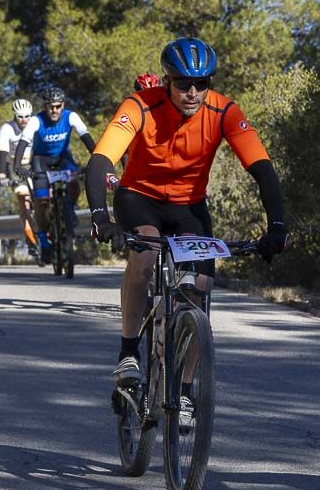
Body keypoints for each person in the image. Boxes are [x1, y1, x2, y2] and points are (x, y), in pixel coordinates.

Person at [85, 37, 289, 388]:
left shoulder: (224, 111)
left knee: (201, 285)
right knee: (146, 252)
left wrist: (278, 225)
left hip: (188, 207)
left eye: (202, 83)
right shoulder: (139, 106)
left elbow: (262, 169)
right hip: (139, 198)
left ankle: (183, 388)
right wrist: (102, 217)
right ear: (167, 82)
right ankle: (128, 351)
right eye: (183, 83)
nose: (192, 92)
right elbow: (101, 158)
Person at [12, 87, 96, 264]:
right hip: (41, 161)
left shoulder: (70, 117)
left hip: (62, 158)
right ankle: (44, 243)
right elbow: (24, 141)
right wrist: (17, 164)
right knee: (40, 201)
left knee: (74, 181)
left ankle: (69, 210)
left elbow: (86, 137)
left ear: (63, 105)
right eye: (51, 107)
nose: (54, 110)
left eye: (58, 106)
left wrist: (98, 159)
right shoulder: (36, 120)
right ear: (45, 106)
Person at [0, 98, 37, 257]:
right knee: (24, 198)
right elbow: (2, 154)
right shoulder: (7, 129)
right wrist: (2, 175)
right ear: (15, 115)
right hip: (14, 165)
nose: (24, 120)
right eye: (20, 116)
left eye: (27, 116)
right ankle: (30, 237)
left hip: (33, 163)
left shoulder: (34, 124)